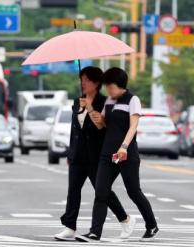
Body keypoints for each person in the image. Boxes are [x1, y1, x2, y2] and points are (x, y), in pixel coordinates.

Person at [75, 67, 158, 243]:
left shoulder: (132, 99)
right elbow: (102, 125)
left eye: (111, 87)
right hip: (107, 153)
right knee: (101, 191)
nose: (109, 91)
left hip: (126, 153)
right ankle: (94, 233)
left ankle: (151, 225)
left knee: (133, 192)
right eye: (107, 88)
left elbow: (133, 126)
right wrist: (90, 109)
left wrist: (124, 147)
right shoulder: (110, 101)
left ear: (121, 86)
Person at [54, 67, 135, 241]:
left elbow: (104, 128)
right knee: (73, 190)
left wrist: (90, 109)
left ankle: (125, 218)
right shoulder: (78, 101)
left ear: (97, 83)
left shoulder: (106, 101)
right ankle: (69, 226)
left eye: (86, 80)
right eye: (81, 79)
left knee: (103, 191)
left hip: (96, 154)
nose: (82, 83)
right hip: (78, 154)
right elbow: (74, 130)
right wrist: (70, 152)